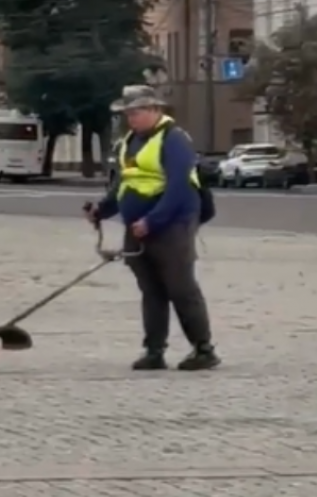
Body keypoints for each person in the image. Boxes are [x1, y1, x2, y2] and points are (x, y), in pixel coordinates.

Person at [86, 85, 220, 371]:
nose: (131, 118)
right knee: (151, 290)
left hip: (173, 225)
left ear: (156, 110)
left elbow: (179, 188)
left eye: (137, 112)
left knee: (180, 288)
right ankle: (154, 350)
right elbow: (124, 182)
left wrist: (153, 221)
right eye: (128, 113)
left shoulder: (174, 139)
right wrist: (102, 209)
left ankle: (203, 349)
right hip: (137, 227)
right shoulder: (128, 142)